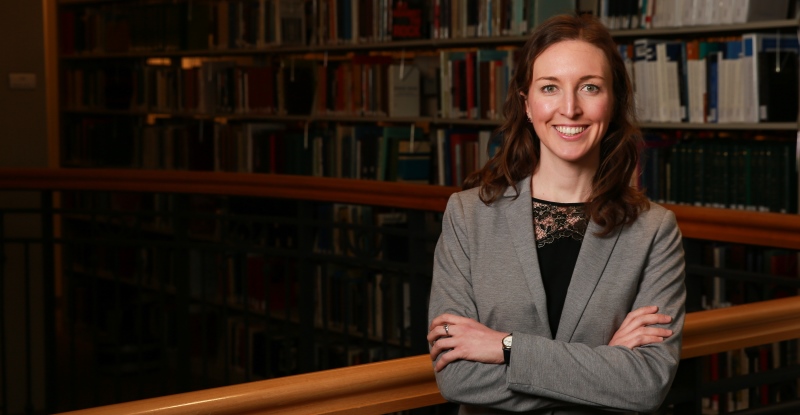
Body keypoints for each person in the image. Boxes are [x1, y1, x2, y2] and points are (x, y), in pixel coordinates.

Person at [426, 13, 686, 415]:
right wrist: (603, 366)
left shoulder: (654, 230)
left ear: (613, 102)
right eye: (550, 87)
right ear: (527, 104)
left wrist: (505, 347)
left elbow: (645, 384)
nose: (570, 108)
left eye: (590, 87)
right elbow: (457, 376)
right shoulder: (467, 216)